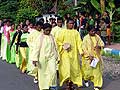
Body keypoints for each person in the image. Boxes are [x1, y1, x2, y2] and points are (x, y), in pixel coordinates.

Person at [56, 18, 83, 89]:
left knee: (74, 70)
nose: (71, 25)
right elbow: (58, 41)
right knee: (66, 70)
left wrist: (81, 52)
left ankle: (71, 85)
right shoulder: (62, 32)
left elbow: (79, 43)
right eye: (70, 23)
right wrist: (63, 45)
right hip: (65, 54)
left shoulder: (76, 32)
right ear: (66, 24)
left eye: (72, 23)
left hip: (74, 55)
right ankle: (67, 84)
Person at [32, 23, 58, 90]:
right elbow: (36, 49)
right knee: (43, 73)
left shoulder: (52, 37)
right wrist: (35, 59)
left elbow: (55, 47)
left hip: (51, 57)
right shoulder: (40, 38)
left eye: (49, 30)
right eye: (47, 30)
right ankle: (44, 87)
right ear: (43, 30)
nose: (48, 32)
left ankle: (52, 85)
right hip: (42, 58)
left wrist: (57, 57)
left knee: (53, 71)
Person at [81, 25, 104, 90]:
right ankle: (85, 79)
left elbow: (102, 44)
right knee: (87, 72)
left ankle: (97, 85)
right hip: (88, 58)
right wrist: (88, 55)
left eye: (94, 31)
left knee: (97, 72)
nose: (93, 32)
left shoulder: (97, 37)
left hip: (96, 57)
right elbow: (83, 48)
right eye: (92, 31)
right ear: (88, 31)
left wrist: (99, 47)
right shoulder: (85, 38)